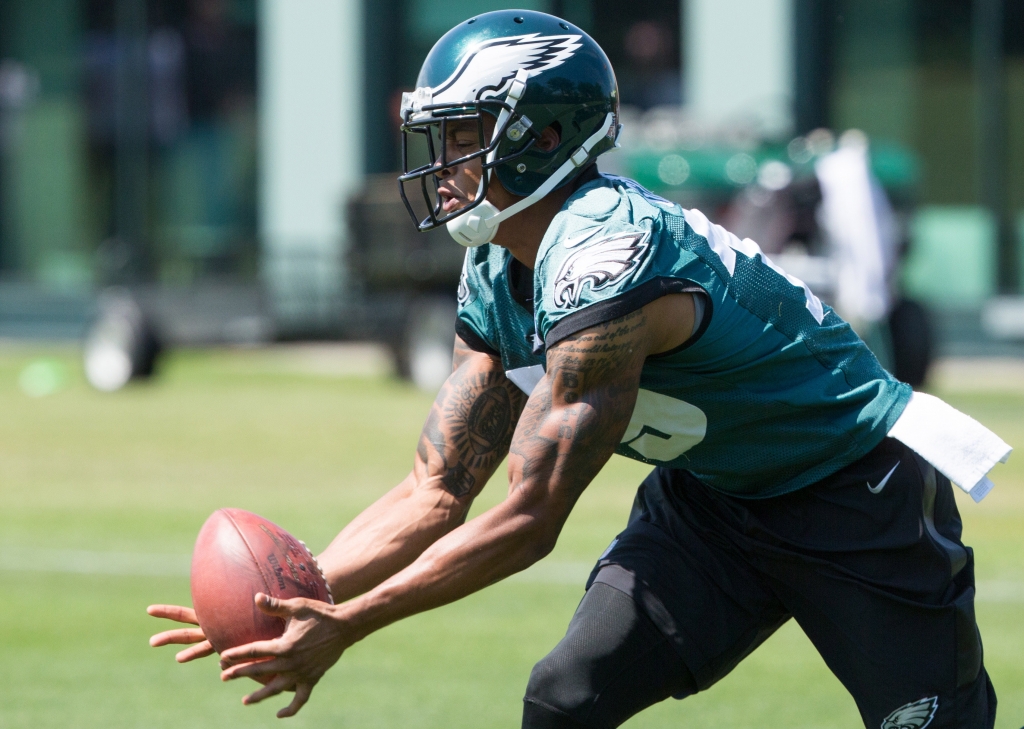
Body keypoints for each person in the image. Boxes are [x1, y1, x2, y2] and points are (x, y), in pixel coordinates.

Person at [149, 10, 1010, 727]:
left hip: (850, 490)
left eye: (463, 134)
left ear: (545, 137)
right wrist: (292, 600)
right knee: (565, 699)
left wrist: (350, 623)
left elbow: (529, 518)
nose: (441, 166)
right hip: (714, 500)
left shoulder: (605, 255)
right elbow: (436, 490)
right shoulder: (497, 261)